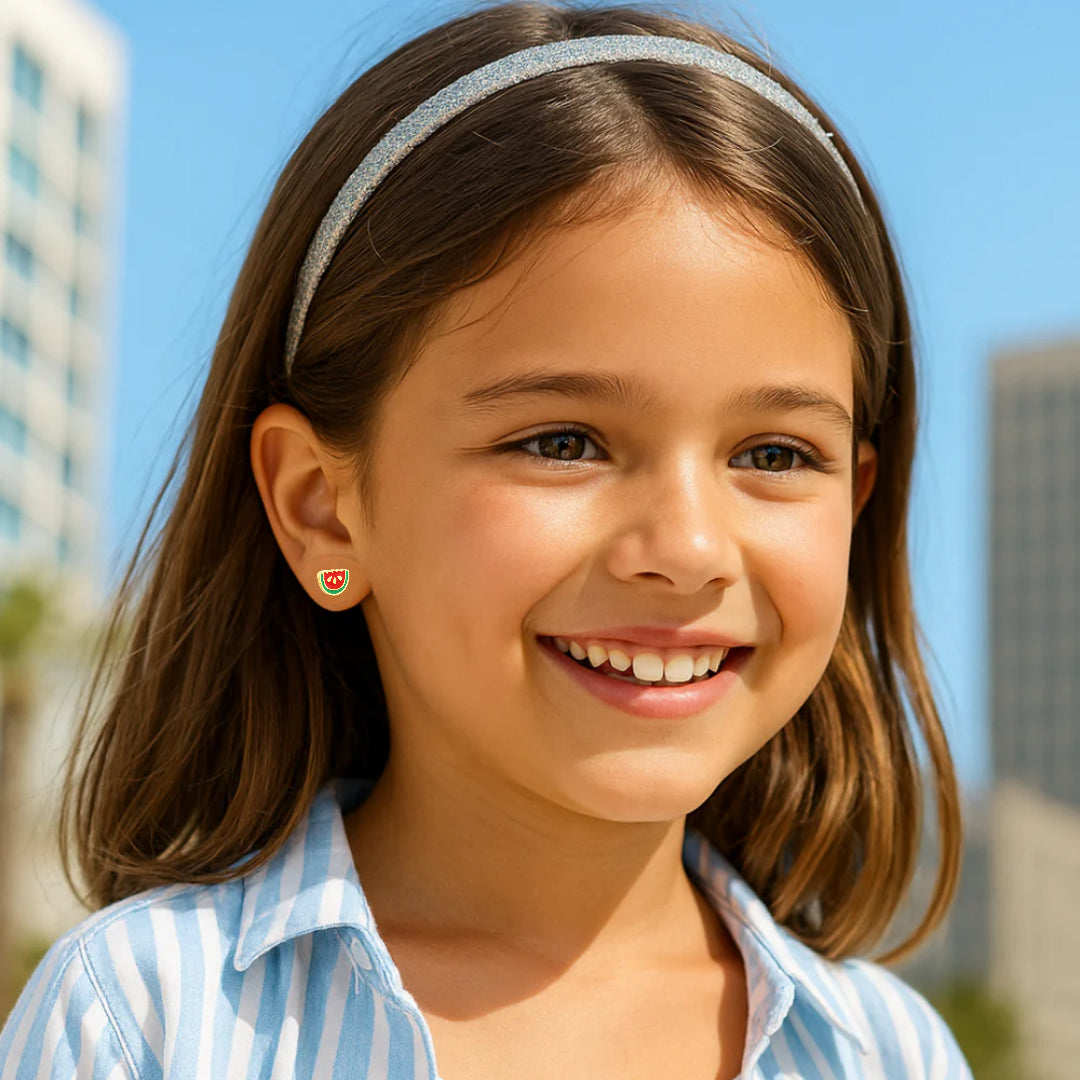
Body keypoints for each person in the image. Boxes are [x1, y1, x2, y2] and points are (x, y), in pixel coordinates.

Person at [0, 1, 977, 1077]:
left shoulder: (886, 1053)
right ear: (324, 507)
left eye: (777, 455)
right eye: (563, 441)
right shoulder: (142, 1019)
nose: (689, 545)